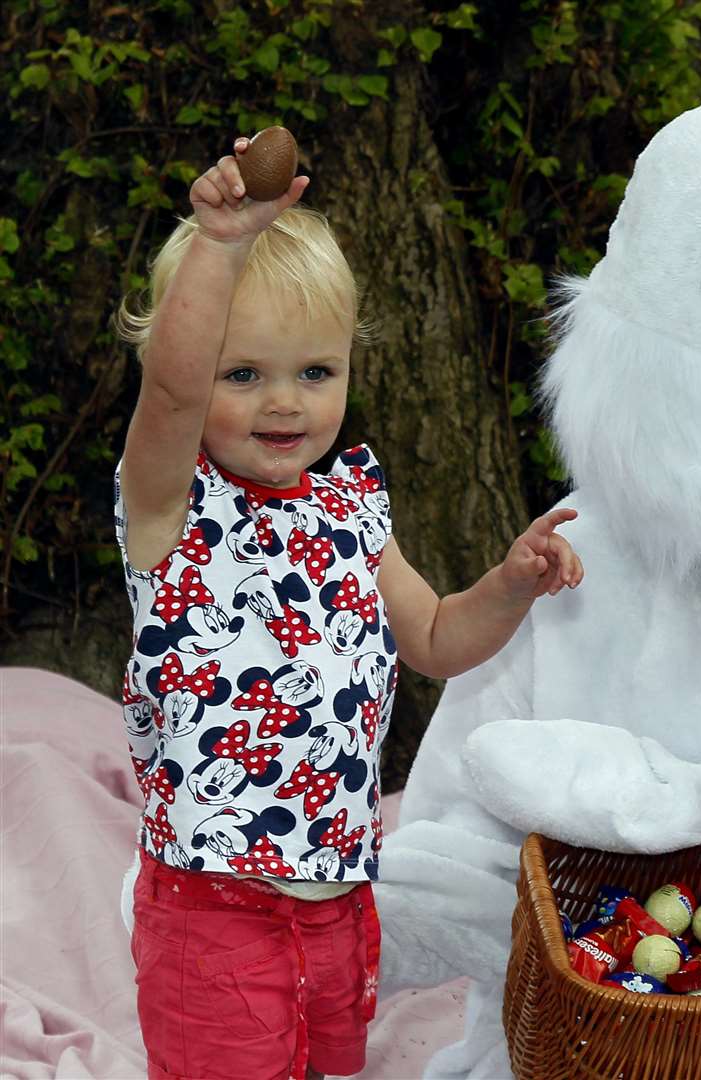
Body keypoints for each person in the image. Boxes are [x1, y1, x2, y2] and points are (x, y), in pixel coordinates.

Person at [111, 136, 582, 1080]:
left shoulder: (351, 512)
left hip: (337, 898)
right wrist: (219, 244)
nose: (284, 403)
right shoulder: (171, 507)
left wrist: (512, 582)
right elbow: (168, 390)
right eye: (241, 375)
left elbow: (442, 639)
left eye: (315, 373)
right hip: (216, 905)